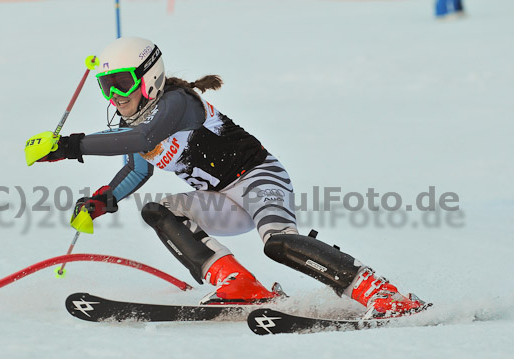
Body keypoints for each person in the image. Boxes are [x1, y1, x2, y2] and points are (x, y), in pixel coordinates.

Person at [26, 37, 428, 318]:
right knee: (158, 211)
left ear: (149, 77)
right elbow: (137, 165)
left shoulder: (176, 103)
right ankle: (238, 285)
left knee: (279, 244)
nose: (114, 96)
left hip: (258, 179)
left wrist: (69, 145)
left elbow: (143, 138)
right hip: (222, 201)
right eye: (105, 87)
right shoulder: (136, 122)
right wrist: (102, 200)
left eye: (122, 83)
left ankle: (380, 292)